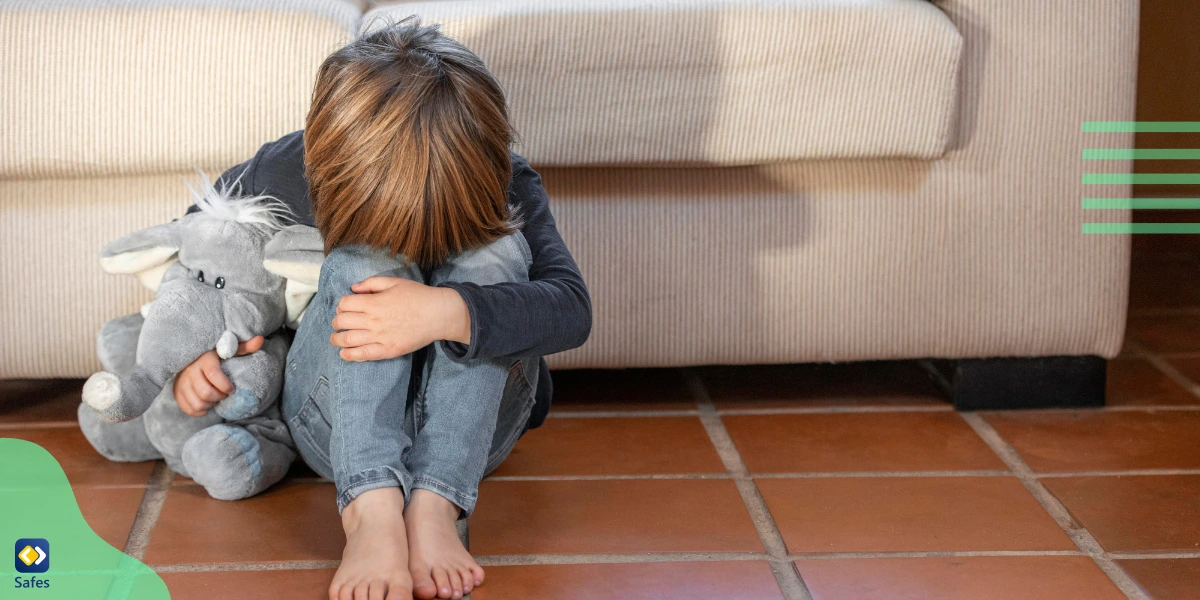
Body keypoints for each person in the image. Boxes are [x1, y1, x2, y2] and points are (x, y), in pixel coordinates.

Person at [170, 18, 591, 600]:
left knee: (495, 252)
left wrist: (445, 311)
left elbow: (571, 310)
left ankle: (437, 506)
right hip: (334, 424)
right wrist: (195, 355)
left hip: (475, 438)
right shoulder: (288, 169)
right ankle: (369, 510)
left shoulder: (507, 178)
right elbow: (200, 255)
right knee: (361, 263)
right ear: (326, 172)